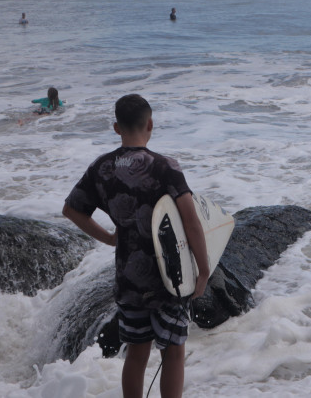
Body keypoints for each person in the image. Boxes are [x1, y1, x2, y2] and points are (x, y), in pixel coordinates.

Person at [63, 94, 208, 398]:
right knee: (173, 353)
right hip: (170, 278)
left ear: (117, 127)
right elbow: (191, 221)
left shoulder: (101, 168)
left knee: (137, 353)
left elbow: (72, 210)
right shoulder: (165, 167)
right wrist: (204, 270)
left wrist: (110, 237)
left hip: (129, 277)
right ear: (150, 124)